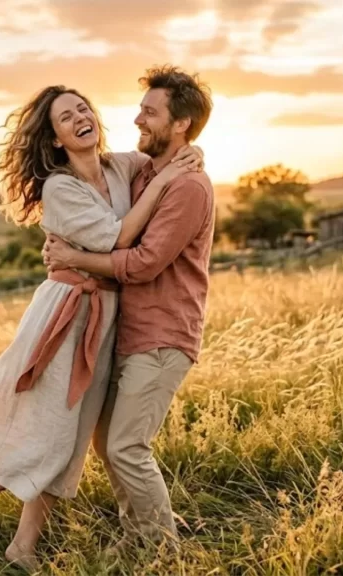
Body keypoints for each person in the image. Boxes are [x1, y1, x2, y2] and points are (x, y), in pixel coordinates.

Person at [0, 82, 203, 570]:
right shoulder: (60, 187)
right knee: (47, 426)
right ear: (56, 138)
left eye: (84, 109)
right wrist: (163, 185)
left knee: (73, 436)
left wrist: (192, 150)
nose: (81, 117)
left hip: (106, 320)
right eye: (66, 117)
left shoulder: (119, 166)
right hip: (67, 314)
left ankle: (22, 546)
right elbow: (115, 237)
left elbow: (170, 155)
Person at [41, 65, 215, 551]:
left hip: (164, 334)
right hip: (130, 331)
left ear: (180, 124)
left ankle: (162, 548)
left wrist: (75, 256)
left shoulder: (187, 187)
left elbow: (142, 264)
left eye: (150, 112)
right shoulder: (146, 171)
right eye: (140, 109)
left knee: (126, 446)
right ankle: (139, 532)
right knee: (105, 442)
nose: (137, 119)